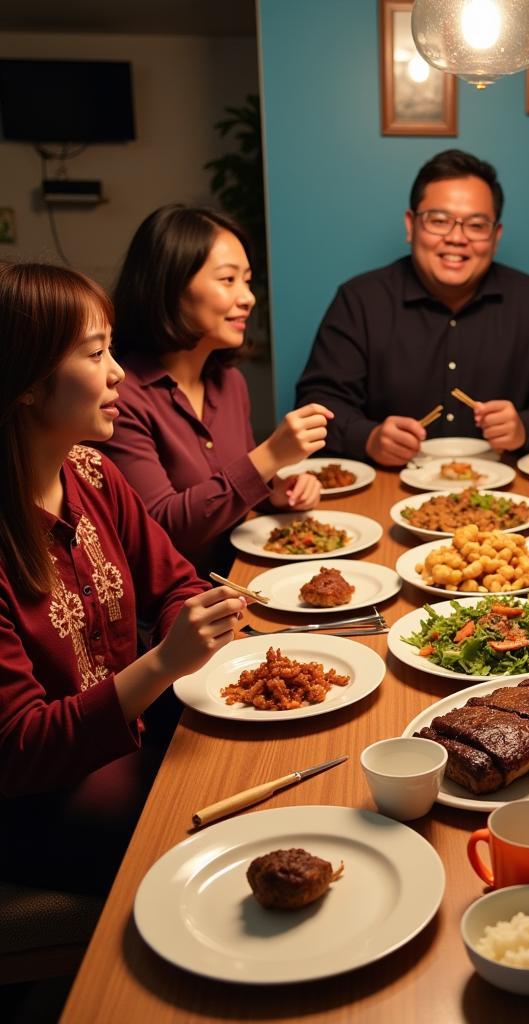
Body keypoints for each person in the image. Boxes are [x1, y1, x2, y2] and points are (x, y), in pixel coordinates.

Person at [0, 263, 245, 893]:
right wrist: (165, 663)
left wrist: (191, 630)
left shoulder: (92, 473)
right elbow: (21, 748)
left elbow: (177, 584)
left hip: (135, 744)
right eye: (95, 353)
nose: (118, 374)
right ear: (27, 381)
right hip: (45, 810)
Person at [296, 149, 529, 466]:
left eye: (476, 225)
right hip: (386, 489)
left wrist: (524, 428)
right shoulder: (360, 300)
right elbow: (317, 402)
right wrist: (368, 437)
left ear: (495, 236)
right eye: (439, 221)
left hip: (505, 494)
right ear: (411, 226)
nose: (456, 238)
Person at [97, 205, 333, 575]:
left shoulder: (230, 383)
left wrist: (276, 493)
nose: (248, 297)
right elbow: (162, 527)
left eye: (248, 280)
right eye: (228, 280)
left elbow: (225, 491)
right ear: (170, 286)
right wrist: (270, 455)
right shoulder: (121, 396)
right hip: (177, 612)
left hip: (245, 577)